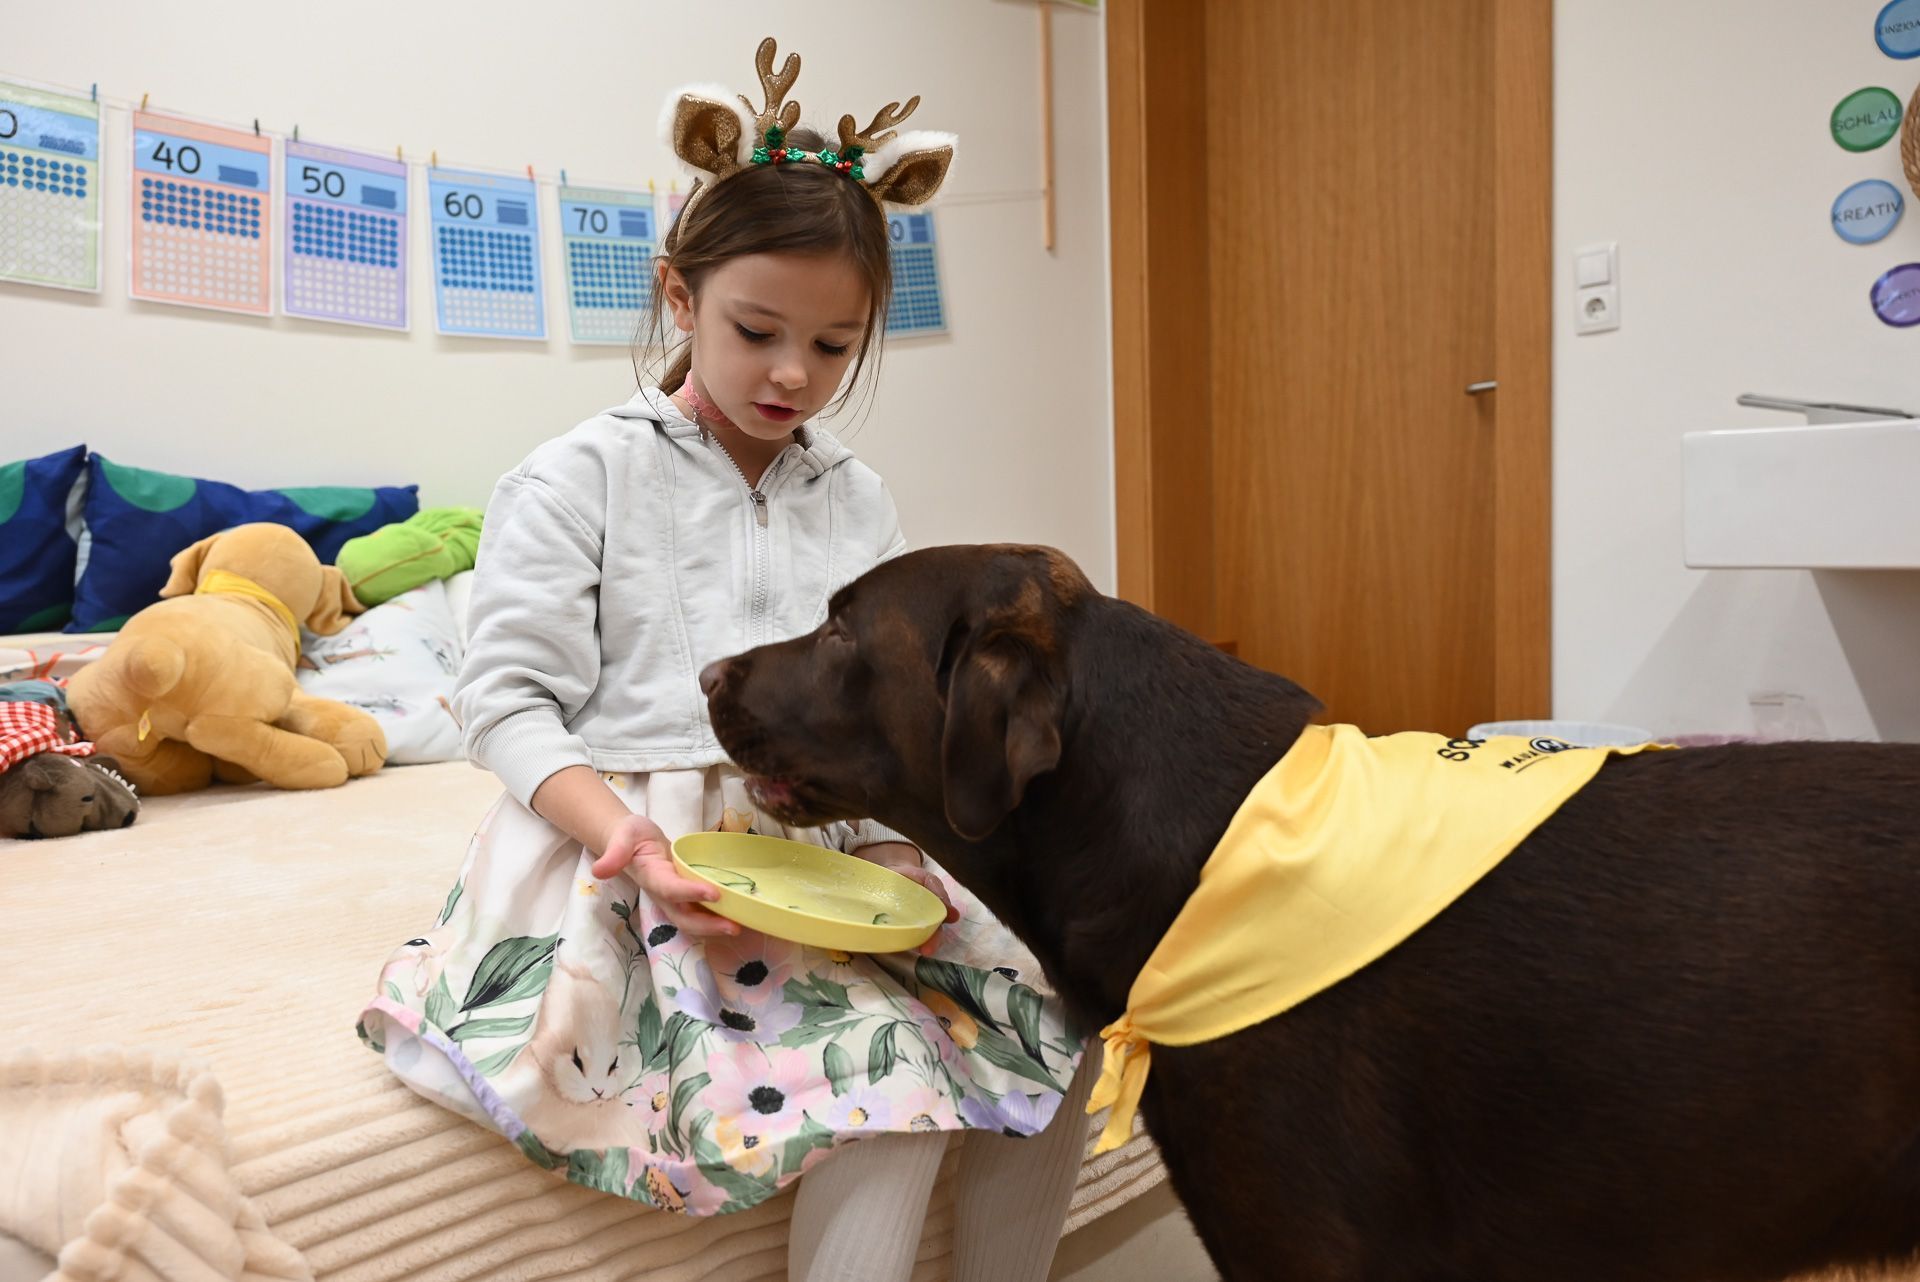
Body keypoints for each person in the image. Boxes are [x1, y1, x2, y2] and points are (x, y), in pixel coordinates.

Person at [359, 38, 1095, 1282]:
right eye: (758, 331)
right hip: (634, 844)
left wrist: (937, 835)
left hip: (831, 844)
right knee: (891, 1097)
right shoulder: (577, 476)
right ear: (679, 295)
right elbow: (506, 701)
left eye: (835, 346)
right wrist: (623, 838)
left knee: (1064, 1022)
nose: (794, 375)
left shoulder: (856, 498)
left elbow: (895, 711)